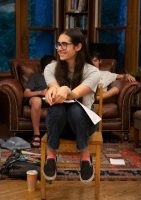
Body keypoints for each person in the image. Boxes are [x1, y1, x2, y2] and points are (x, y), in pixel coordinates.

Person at [43, 28, 100, 183]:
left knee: (75, 108)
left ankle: (85, 158)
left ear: (78, 47)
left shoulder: (93, 72)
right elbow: (53, 86)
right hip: (60, 126)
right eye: (58, 44)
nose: (60, 48)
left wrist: (66, 89)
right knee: (57, 107)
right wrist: (52, 92)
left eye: (64, 44)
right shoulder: (50, 68)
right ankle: (50, 157)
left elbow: (74, 95)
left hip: (84, 125)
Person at [23, 55, 56, 148]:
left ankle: (54, 135)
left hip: (51, 99)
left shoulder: (57, 79)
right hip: (36, 98)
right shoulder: (36, 77)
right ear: (46, 67)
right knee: (37, 101)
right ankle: (37, 134)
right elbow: (26, 93)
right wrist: (41, 92)